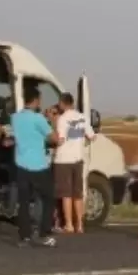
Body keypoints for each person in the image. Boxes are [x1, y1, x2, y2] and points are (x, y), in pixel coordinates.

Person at [10, 88, 60, 247]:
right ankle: (44, 233)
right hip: (39, 165)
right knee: (48, 199)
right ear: (36, 101)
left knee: (23, 203)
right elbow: (55, 139)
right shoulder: (39, 119)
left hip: (21, 165)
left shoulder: (15, 118)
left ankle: (24, 237)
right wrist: (53, 120)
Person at [52, 92, 95, 234]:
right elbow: (92, 137)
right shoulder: (83, 117)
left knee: (66, 193)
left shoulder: (62, 119)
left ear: (62, 103)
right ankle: (80, 225)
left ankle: (69, 224)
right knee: (77, 194)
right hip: (78, 159)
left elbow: (61, 139)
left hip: (63, 159)